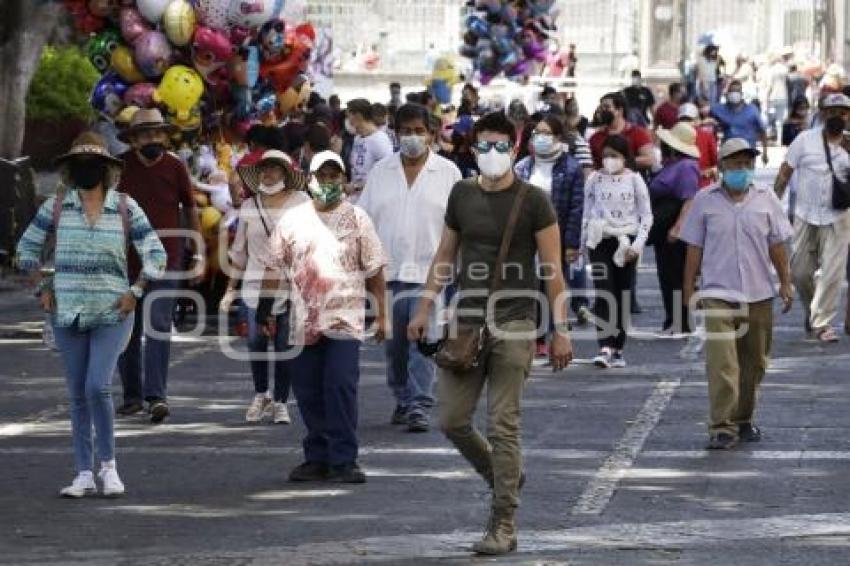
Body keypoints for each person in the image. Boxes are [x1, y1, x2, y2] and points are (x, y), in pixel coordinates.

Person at [408, 111, 574, 555]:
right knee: (451, 419)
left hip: (517, 320)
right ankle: (506, 475)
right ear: (473, 149)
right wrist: (424, 307)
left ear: (515, 149)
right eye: (485, 147)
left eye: (501, 146)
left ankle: (504, 522)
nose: (493, 155)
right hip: (465, 320)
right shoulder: (461, 194)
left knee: (504, 425)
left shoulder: (534, 200)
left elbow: (553, 269)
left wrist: (561, 329)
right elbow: (445, 255)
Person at [16, 131, 166, 497]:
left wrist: (136, 291)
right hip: (67, 313)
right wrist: (43, 290)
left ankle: (109, 467)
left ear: (106, 170)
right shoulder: (56, 207)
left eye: (93, 164)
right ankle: (82, 473)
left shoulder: (126, 207)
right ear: (70, 169)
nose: (86, 170)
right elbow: (25, 251)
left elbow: (156, 254)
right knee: (77, 393)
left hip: (114, 311)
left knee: (97, 385)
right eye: (78, 164)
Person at [259, 150, 388, 483]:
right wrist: (264, 308)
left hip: (345, 319)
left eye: (334, 176)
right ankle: (317, 456)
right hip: (302, 318)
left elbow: (375, 269)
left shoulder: (358, 219)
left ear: (343, 180)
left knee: (341, 385)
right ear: (309, 179)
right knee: (308, 389)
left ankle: (344, 459)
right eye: (321, 176)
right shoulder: (292, 220)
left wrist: (383, 316)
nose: (327, 182)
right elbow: (273, 266)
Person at [681, 138, 794, 449]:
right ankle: (721, 426)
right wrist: (688, 287)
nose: (741, 170)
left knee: (755, 362)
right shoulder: (705, 200)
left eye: (747, 164)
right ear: (722, 168)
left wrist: (785, 282)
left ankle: (743, 418)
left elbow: (777, 244)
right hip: (717, 293)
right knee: (722, 363)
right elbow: (694, 247)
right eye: (735, 164)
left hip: (758, 293)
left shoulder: (766, 198)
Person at [359, 103, 462, 432]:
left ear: (432, 134)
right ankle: (403, 398)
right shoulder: (381, 172)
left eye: (419, 131)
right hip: (387, 274)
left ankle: (419, 404)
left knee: (424, 342)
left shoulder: (449, 173)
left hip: (430, 273)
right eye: (406, 131)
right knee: (396, 347)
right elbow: (363, 220)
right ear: (395, 133)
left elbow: (460, 224)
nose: (413, 137)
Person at [115, 109, 203, 423]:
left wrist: (198, 251)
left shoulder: (175, 166)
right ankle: (132, 396)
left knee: (158, 325)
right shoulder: (120, 168)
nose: (153, 139)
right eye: (146, 134)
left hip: (167, 257)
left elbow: (190, 209)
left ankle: (156, 397)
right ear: (134, 139)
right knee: (126, 328)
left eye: (157, 133)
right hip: (126, 260)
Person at [221, 150, 311, 424]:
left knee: (285, 344)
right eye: (264, 169)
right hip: (253, 284)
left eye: (274, 168)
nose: (268, 173)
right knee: (256, 341)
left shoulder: (301, 202)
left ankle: (281, 401)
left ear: (286, 172)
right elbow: (239, 253)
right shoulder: (249, 207)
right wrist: (230, 289)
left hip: (291, 283)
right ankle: (261, 394)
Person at [774, 93, 850, 342]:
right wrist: (772, 206)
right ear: (822, 114)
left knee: (832, 272)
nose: (837, 116)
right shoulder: (804, 141)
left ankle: (822, 323)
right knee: (800, 273)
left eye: (842, 112)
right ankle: (813, 310)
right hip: (805, 215)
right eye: (831, 111)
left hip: (838, 217)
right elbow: (785, 173)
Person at [514, 114, 590, 333]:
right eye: (537, 133)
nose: (540, 138)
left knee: (553, 286)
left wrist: (572, 244)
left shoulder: (572, 168)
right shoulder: (522, 167)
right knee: (530, 286)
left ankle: (555, 332)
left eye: (546, 133)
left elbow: (577, 208)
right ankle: (535, 336)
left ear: (558, 137)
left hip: (557, 236)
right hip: (526, 239)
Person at [582, 135, 653, 368]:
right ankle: (604, 346)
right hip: (600, 239)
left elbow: (646, 215)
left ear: (625, 157)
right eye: (605, 156)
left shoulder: (635, 180)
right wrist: (583, 245)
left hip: (626, 242)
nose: (609, 161)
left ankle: (618, 346)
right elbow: (587, 211)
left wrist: (637, 245)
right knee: (604, 292)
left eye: (614, 156)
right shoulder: (594, 179)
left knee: (622, 294)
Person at [649, 123, 701, 336]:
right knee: (666, 274)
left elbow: (689, 199)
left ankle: (681, 320)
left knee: (676, 275)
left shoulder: (686, 166)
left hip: (674, 227)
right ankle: (672, 318)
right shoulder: (672, 165)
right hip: (663, 227)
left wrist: (678, 227)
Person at [588, 92, 655, 173]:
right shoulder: (595, 137)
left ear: (619, 110)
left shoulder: (638, 133)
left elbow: (649, 160)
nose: (603, 111)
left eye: (607, 107)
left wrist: (620, 162)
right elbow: (591, 165)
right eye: (601, 108)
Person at [344, 98, 394, 202]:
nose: (347, 121)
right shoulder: (358, 138)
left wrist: (356, 187)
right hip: (356, 200)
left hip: (373, 201)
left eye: (348, 117)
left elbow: (387, 174)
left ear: (358, 116)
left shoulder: (380, 140)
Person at [710, 80, 770, 164]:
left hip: (748, 154)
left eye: (736, 91)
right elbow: (707, 114)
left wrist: (765, 152)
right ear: (727, 94)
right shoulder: (719, 109)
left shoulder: (752, 110)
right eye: (731, 91)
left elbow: (762, 131)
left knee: (746, 176)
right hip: (729, 153)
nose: (734, 94)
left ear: (741, 94)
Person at [677, 102, 719, 188]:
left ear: (697, 120)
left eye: (689, 119)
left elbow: (716, 163)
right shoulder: (673, 136)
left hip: (702, 185)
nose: (686, 122)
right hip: (680, 185)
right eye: (683, 119)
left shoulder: (707, 136)